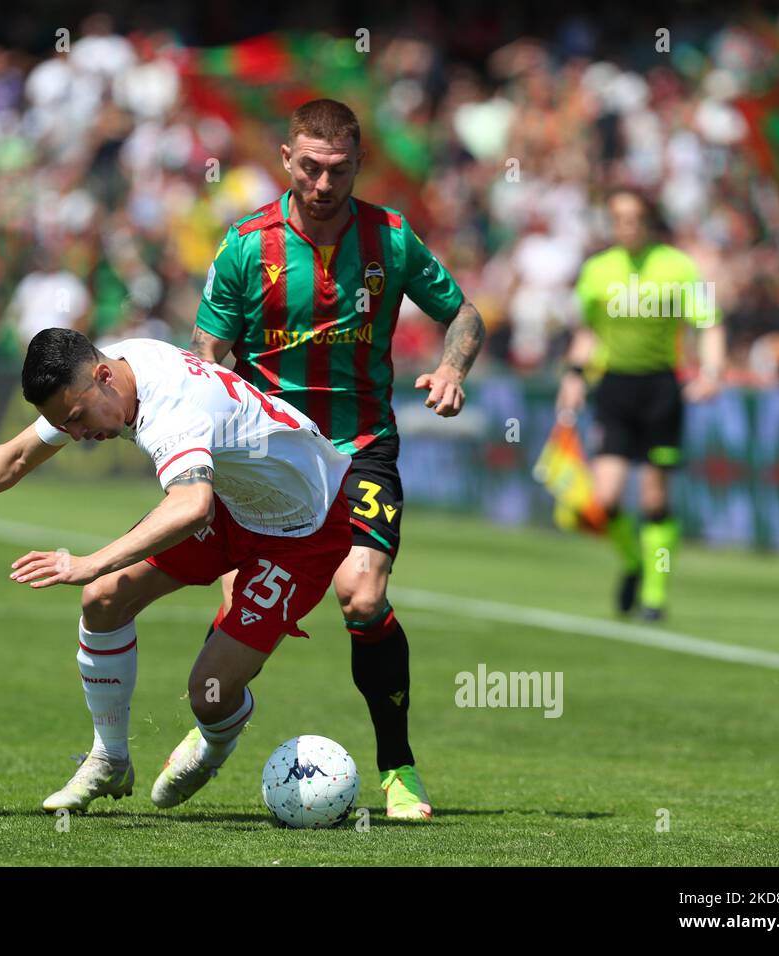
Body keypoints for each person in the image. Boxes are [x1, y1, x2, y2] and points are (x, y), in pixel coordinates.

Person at [0, 328, 352, 812]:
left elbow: (191, 509)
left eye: (77, 420)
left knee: (209, 695)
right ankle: (110, 758)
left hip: (302, 529)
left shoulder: (172, 409)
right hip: (233, 503)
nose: (78, 435)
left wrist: (91, 561)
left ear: (103, 377)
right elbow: (18, 456)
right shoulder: (114, 373)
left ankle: (212, 747)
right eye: (67, 424)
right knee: (103, 598)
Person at [189, 99, 484, 820]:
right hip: (267, 456)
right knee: (237, 606)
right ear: (288, 158)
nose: (324, 184)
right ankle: (209, 728)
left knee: (363, 595)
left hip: (361, 450)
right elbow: (207, 353)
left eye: (340, 170)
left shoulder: (391, 237)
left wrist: (452, 369)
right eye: (312, 168)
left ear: (358, 164)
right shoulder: (245, 245)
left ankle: (399, 768)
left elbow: (464, 314)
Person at [556, 187, 726, 619]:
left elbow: (708, 323)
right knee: (607, 498)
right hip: (614, 388)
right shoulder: (597, 270)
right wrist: (574, 377)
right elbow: (587, 332)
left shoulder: (677, 267)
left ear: (650, 220)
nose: (627, 226)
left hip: (660, 389)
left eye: (635, 217)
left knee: (653, 499)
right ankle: (633, 562)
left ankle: (654, 593)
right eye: (618, 217)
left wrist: (710, 372)